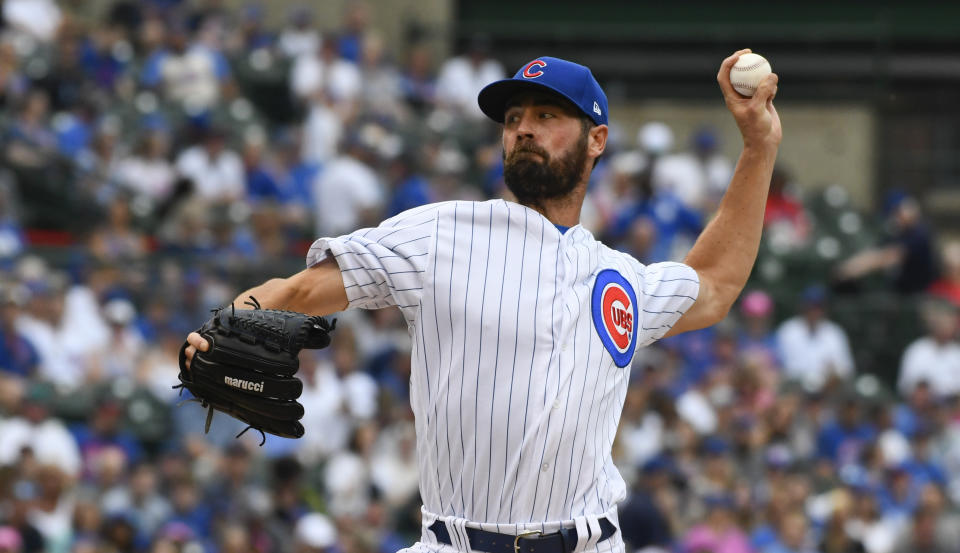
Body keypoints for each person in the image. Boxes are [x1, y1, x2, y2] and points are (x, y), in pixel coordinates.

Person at [183, 50, 781, 553]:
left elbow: (716, 284)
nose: (523, 127)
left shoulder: (619, 278)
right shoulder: (440, 233)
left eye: (547, 115)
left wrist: (758, 147)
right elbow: (297, 290)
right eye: (514, 116)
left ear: (597, 140)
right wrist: (224, 327)